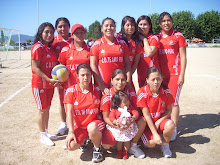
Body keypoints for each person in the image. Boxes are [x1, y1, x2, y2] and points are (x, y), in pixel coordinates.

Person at [64, 63, 105, 163]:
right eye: (82, 75)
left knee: (92, 127)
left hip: (96, 124)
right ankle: (85, 140)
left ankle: (97, 148)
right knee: (70, 146)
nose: (85, 77)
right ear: (77, 76)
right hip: (80, 126)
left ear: (91, 75)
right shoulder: (71, 91)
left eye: (88, 74)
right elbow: (69, 112)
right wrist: (70, 131)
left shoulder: (98, 89)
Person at [101, 69, 146, 159]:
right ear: (111, 80)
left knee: (143, 121)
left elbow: (136, 111)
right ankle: (117, 145)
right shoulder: (107, 96)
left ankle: (133, 146)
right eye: (117, 79)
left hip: (129, 124)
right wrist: (117, 124)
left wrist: (131, 120)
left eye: (123, 80)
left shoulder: (131, 93)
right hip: (115, 125)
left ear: (126, 81)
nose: (120, 82)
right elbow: (106, 118)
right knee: (106, 145)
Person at [157, 12, 187, 141]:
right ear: (160, 23)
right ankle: (165, 125)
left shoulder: (178, 36)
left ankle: (173, 128)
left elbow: (183, 56)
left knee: (173, 101)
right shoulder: (156, 37)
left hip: (174, 74)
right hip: (160, 76)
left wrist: (182, 74)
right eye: (163, 21)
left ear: (172, 22)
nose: (166, 23)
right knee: (163, 102)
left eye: (168, 20)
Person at [137, 67, 175, 158]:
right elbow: (146, 115)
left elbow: (169, 110)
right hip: (147, 124)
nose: (156, 82)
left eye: (158, 79)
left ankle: (165, 145)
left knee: (171, 124)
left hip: (158, 123)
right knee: (151, 145)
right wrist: (155, 134)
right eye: (152, 79)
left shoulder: (166, 92)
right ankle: (142, 141)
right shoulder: (142, 92)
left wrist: (159, 121)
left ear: (162, 78)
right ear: (147, 80)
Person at [31, 22, 59, 146]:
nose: (49, 34)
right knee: (42, 110)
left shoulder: (50, 48)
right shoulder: (38, 47)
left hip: (50, 84)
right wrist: (48, 79)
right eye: (46, 32)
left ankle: (46, 132)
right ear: (40, 33)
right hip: (40, 84)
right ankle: (42, 135)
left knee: (47, 109)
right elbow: (35, 67)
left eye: (52, 32)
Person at [90, 17, 131, 94]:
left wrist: (128, 81)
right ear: (102, 29)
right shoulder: (97, 44)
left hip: (120, 85)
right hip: (103, 86)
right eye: (106, 25)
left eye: (112, 25)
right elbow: (93, 66)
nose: (109, 28)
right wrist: (101, 85)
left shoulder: (122, 43)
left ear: (115, 28)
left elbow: (127, 64)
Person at [52, 17, 72, 136]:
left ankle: (74, 123)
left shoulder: (73, 39)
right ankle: (63, 123)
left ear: (69, 26)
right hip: (60, 76)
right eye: (60, 26)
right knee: (61, 100)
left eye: (65, 26)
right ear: (56, 28)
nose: (62, 28)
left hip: (73, 76)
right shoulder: (54, 41)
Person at [108, 91, 139, 159]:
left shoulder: (129, 108)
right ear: (118, 103)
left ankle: (125, 151)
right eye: (124, 102)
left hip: (128, 129)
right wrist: (115, 121)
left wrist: (134, 117)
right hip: (119, 129)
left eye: (127, 100)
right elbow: (111, 117)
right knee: (119, 141)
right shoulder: (115, 110)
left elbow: (135, 112)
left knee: (127, 141)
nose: (127, 103)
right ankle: (119, 151)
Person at [115, 16, 142, 89]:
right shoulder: (117, 37)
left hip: (127, 77)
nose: (130, 27)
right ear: (123, 26)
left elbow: (135, 63)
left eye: (132, 25)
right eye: (128, 25)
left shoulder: (137, 42)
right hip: (116, 76)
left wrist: (127, 76)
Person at [137, 15, 160, 88]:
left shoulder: (154, 38)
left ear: (149, 26)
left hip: (153, 75)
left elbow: (149, 53)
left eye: (145, 24)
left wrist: (144, 40)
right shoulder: (136, 40)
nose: (142, 27)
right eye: (140, 24)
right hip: (141, 75)